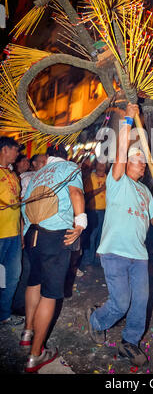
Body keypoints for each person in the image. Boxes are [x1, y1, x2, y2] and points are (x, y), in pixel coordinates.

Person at [86, 103, 153, 367]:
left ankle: (130, 342)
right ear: (128, 163)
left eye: (143, 164)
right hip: (114, 252)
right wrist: (127, 119)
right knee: (121, 302)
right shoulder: (117, 181)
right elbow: (121, 152)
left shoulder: (146, 192)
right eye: (139, 162)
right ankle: (96, 319)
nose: (143, 167)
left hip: (139, 255)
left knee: (141, 301)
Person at [21, 144, 86, 373]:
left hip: (32, 235)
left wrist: (26, 234)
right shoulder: (69, 167)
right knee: (50, 293)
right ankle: (35, 355)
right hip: (54, 236)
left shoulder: (38, 174)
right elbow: (76, 193)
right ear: (65, 156)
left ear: (48, 156)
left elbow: (24, 205)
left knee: (34, 281)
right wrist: (80, 224)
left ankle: (27, 332)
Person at [12, 153, 47, 316]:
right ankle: (18, 303)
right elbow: (22, 204)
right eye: (42, 162)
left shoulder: (42, 176)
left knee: (33, 267)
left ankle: (28, 301)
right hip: (28, 228)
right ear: (34, 164)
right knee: (24, 268)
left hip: (37, 228)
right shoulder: (27, 178)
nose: (46, 164)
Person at [0, 136, 24, 326]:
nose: (18, 153)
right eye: (15, 150)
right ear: (5, 150)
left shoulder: (12, 174)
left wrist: (21, 232)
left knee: (12, 276)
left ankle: (4, 314)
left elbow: (18, 205)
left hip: (14, 235)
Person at [80, 161, 107, 272]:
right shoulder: (89, 177)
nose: (102, 165)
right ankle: (88, 261)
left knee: (102, 236)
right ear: (95, 165)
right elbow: (86, 194)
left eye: (104, 163)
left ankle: (97, 260)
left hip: (105, 211)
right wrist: (101, 189)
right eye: (99, 163)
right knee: (91, 237)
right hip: (93, 211)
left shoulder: (109, 177)